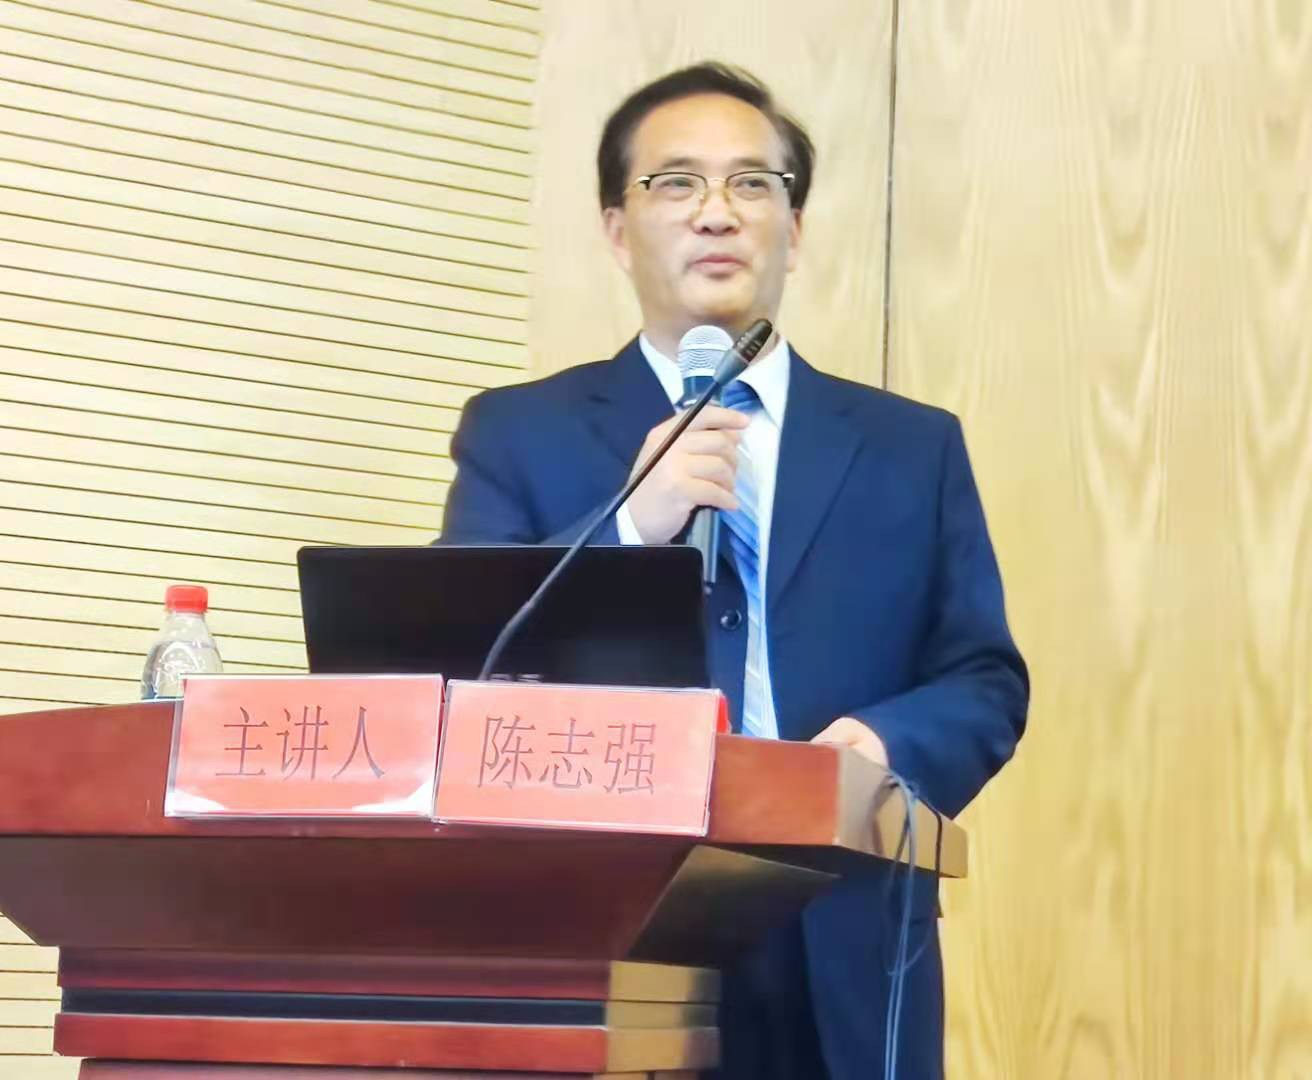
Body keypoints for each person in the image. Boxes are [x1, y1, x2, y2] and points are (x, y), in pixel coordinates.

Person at [440, 62, 1029, 1080]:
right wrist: (632, 524)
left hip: (842, 923)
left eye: (753, 183)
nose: (717, 211)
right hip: (605, 927)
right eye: (676, 182)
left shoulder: (911, 447)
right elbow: (456, 665)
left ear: (794, 229)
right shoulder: (519, 433)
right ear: (617, 230)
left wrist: (879, 746)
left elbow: (984, 678)